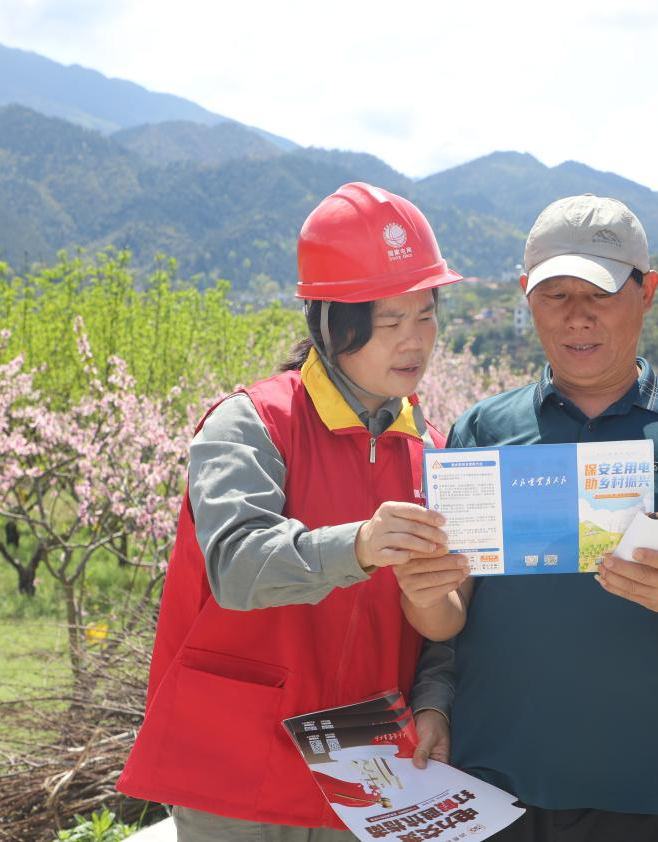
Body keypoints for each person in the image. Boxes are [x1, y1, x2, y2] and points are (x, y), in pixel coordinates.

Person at [400, 194, 658, 842]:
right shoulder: (482, 430)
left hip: (650, 787)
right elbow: (448, 614)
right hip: (493, 781)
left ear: (648, 292)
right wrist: (418, 591)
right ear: (525, 296)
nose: (577, 317)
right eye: (555, 295)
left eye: (599, 293)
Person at [117, 182, 462, 841]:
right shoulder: (251, 424)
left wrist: (434, 704)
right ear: (331, 323)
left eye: (424, 315)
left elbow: (446, 618)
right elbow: (237, 565)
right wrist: (360, 544)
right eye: (389, 322)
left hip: (366, 772)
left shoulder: (434, 452)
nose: (413, 341)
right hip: (237, 764)